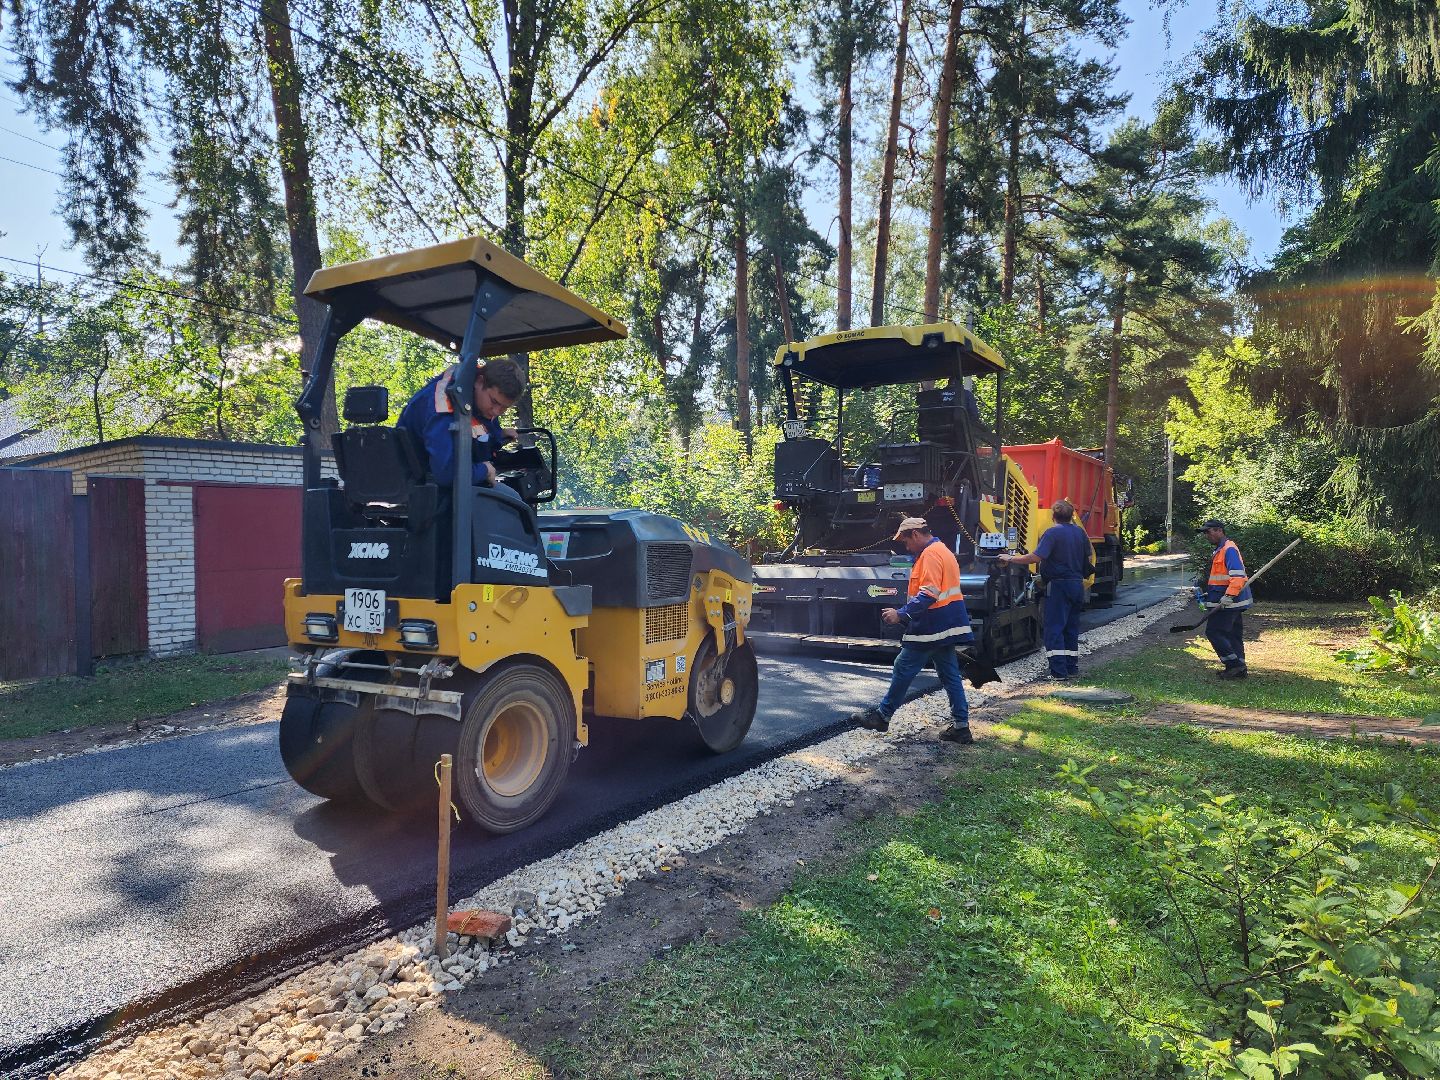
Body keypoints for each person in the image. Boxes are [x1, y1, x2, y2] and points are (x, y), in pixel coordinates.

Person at [849, 517, 975, 744]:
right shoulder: (943, 550)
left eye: (906, 542)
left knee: (903, 666)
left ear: (915, 534)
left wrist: (901, 614)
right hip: (947, 624)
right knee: (950, 675)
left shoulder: (930, 555)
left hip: (932, 625)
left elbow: (929, 594)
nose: (906, 547)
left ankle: (882, 716)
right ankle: (961, 727)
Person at [996, 498, 1090, 678]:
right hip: (1077, 584)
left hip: (1058, 586)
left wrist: (1011, 558)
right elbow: (1087, 555)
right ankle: (1071, 668)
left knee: (1054, 629)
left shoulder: (1052, 533)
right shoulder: (1079, 532)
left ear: (1054, 516)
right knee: (1071, 628)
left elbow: (1035, 557)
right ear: (1071, 516)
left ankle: (1058, 672)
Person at [397, 357, 525, 487]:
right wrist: (484, 470)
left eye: (504, 408)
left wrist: (499, 435)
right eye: (494, 402)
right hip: (421, 487)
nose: (497, 411)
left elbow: (481, 436)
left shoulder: (472, 396)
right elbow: (445, 474)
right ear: (480, 382)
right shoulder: (443, 410)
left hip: (441, 482)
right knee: (513, 495)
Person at [1196, 518, 1253, 678]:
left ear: (1219, 531)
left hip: (1230, 602)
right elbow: (1221, 579)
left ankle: (1234, 665)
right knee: (1233, 634)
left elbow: (1238, 577)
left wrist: (1228, 596)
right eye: (1205, 533)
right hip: (1229, 601)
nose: (1206, 536)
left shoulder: (1229, 549)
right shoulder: (1221, 549)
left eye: (1208, 532)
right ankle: (1239, 667)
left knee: (1214, 632)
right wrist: (1210, 594)